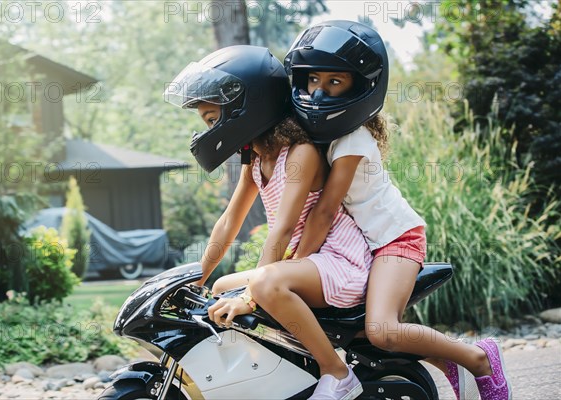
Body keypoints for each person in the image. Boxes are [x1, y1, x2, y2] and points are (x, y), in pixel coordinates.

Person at [284, 20, 512, 400]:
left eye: (334, 83)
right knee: (350, 329)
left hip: (395, 240)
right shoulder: (320, 137)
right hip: (361, 249)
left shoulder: (351, 140)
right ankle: (445, 361)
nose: (319, 92)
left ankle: (477, 357)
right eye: (313, 81)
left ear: (360, 86)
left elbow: (324, 212)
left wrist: (290, 264)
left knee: (383, 331)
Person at [165, 45, 372, 400]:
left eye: (214, 119)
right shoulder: (256, 159)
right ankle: (283, 368)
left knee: (262, 287)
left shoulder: (300, 154)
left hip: (339, 260)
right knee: (219, 288)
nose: (211, 131)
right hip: (308, 262)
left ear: (248, 108)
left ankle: (337, 373)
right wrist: (196, 278)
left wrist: (251, 294)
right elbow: (230, 219)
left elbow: (284, 229)